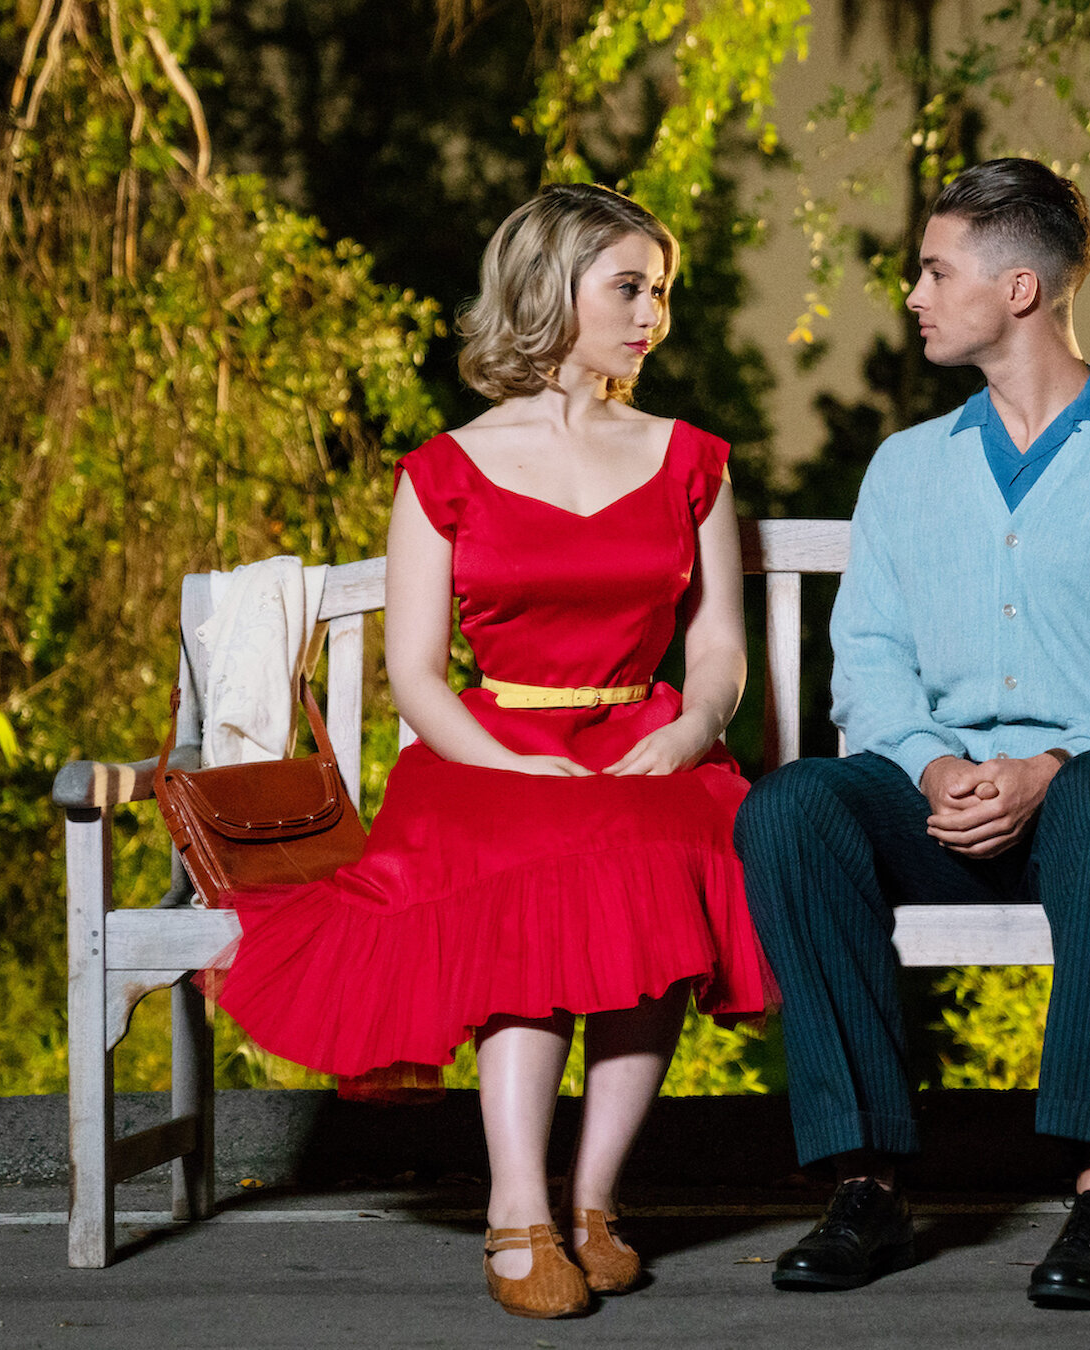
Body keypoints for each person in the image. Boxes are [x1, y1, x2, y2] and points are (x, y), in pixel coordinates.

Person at [210, 183, 771, 1320]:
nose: (653, 314)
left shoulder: (691, 460)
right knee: (532, 871)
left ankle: (594, 1202)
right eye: (629, 287)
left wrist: (689, 732)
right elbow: (418, 675)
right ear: (548, 289)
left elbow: (718, 649)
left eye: (661, 290)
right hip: (490, 746)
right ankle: (518, 1207)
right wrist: (507, 764)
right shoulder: (443, 470)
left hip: (642, 734)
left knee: (664, 861)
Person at [733, 158, 1090, 1309]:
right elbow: (869, 663)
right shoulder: (908, 468)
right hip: (940, 801)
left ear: (1021, 289)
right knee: (791, 807)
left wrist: (1048, 768)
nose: (913, 294)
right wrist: (937, 768)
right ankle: (866, 1184)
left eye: (935, 270)